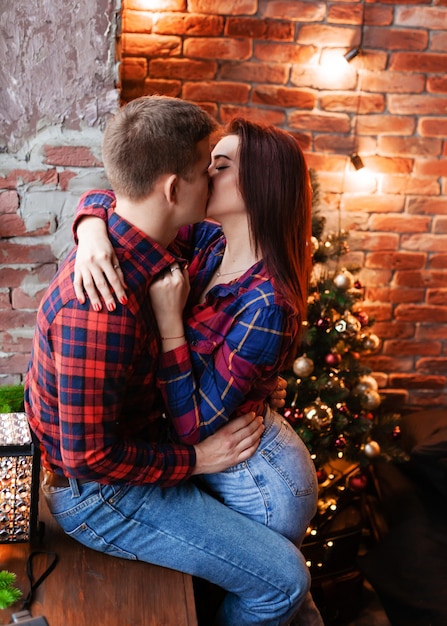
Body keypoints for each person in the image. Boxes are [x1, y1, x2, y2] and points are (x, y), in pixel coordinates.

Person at [25, 95, 314, 626]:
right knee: (286, 582)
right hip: (109, 491)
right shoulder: (115, 296)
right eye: (209, 167)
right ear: (177, 189)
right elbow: (91, 459)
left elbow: (132, 189)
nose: (210, 174)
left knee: (281, 582)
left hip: (232, 474)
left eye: (220, 167)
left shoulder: (205, 254)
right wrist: (90, 225)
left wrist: (97, 228)